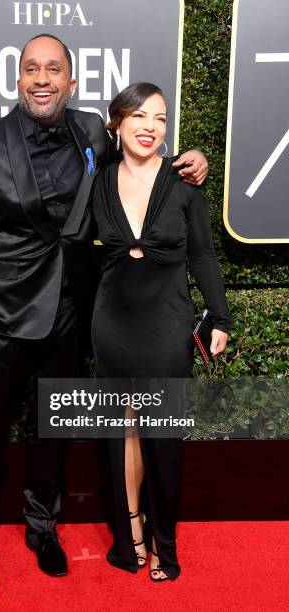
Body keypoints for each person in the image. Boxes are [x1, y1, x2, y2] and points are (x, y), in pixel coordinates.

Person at [0, 33, 209, 597]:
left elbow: (141, 149)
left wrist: (190, 159)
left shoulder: (91, 130)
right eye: (32, 70)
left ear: (71, 80)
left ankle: (43, 528)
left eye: (54, 69)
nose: (43, 79)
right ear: (16, 80)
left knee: (49, 431)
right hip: (0, 317)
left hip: (67, 312)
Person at [91, 82, 231, 582]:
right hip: (112, 324)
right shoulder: (98, 180)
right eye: (141, 115)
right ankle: (129, 531)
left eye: (161, 118)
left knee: (161, 435)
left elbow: (202, 255)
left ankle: (163, 541)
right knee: (123, 431)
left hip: (167, 323)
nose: (151, 126)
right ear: (118, 122)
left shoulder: (184, 184)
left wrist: (220, 316)